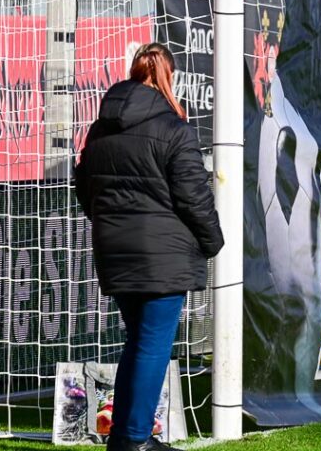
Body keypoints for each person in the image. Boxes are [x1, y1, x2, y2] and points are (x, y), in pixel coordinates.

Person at [75, 42, 224, 451]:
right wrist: (213, 243)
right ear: (167, 77)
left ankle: (125, 435)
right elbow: (195, 198)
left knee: (138, 342)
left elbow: (84, 189)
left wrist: (111, 225)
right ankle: (135, 440)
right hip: (164, 257)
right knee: (152, 345)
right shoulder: (174, 129)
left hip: (116, 252)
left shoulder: (98, 131)